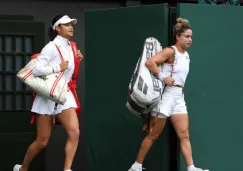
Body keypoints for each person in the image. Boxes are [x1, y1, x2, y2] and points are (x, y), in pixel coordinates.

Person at [128, 18, 209, 171]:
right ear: (178, 36)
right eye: (187, 36)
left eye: (191, 37)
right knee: (153, 135)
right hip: (166, 96)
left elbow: (181, 80)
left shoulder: (186, 56)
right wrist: (162, 77)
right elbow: (150, 62)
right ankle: (136, 166)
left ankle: (191, 168)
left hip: (178, 97)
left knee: (184, 134)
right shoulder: (170, 51)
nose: (190, 39)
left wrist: (181, 96)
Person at [14, 14, 84, 171]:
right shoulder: (51, 47)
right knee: (42, 141)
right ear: (57, 28)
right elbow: (37, 70)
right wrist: (57, 67)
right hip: (47, 97)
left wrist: (77, 59)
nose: (71, 27)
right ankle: (22, 168)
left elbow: (71, 73)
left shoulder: (72, 46)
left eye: (71, 24)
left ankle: (67, 169)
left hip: (65, 94)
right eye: (66, 24)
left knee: (74, 133)